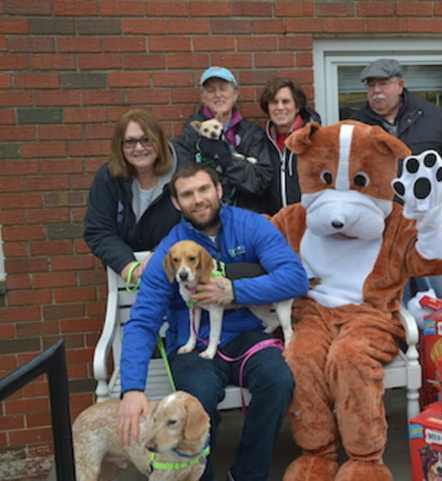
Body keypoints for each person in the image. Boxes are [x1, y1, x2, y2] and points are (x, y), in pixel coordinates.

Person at [117, 163, 309, 481]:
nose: (198, 199)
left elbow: (295, 278)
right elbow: (143, 319)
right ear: (177, 203)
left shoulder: (250, 226)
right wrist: (133, 388)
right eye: (188, 194)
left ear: (218, 190)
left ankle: (248, 473)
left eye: (204, 189)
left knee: (278, 381)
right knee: (197, 397)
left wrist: (234, 291)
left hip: (248, 335)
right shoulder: (172, 247)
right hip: (196, 343)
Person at [352, 58, 442, 300]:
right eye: (371, 85)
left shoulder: (432, 117)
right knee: (395, 299)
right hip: (383, 230)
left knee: (440, 296)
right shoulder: (358, 125)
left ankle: (441, 335)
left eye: (383, 84)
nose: (376, 91)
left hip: (429, 224)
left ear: (400, 85)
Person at [84, 108, 182, 283]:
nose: (138, 148)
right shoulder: (108, 178)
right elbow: (98, 230)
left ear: (159, 141)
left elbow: (194, 224)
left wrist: (161, 255)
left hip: (176, 271)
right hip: (127, 277)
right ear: (120, 146)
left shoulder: (183, 175)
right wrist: (128, 266)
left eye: (146, 140)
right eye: (130, 142)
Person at [174, 66, 273, 213]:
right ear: (203, 97)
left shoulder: (253, 134)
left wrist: (227, 159)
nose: (218, 94)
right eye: (211, 90)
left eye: (223, 88)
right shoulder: (190, 135)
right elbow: (186, 183)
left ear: (235, 94)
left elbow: (259, 182)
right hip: (206, 217)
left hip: (245, 216)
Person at [259, 77, 321, 214]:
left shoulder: (315, 140)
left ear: (297, 106)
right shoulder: (260, 142)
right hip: (274, 226)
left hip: (309, 225)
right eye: (274, 102)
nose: (280, 107)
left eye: (285, 101)